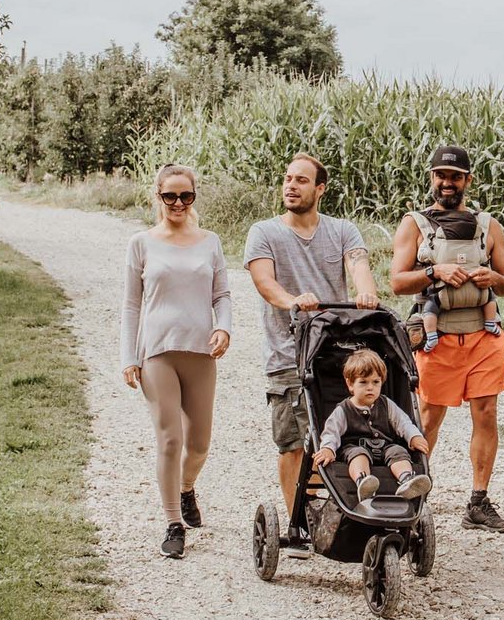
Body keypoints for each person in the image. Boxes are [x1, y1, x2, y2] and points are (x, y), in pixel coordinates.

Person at [245, 152, 379, 554]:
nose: (291, 185)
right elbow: (264, 281)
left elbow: (358, 266)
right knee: (292, 443)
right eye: (287, 178)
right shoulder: (264, 232)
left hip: (336, 351)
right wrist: (292, 300)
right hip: (288, 353)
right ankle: (297, 522)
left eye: (301, 180)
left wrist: (365, 291)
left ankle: (351, 511)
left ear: (320, 189)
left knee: (346, 433)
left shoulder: (342, 231)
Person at [390, 144, 504, 533]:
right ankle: (414, 497)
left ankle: (478, 501)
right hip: (436, 336)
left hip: (482, 334)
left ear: (468, 180)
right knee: (428, 419)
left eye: (456, 176)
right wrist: (435, 273)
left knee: (487, 414)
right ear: (432, 178)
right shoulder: (415, 224)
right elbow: (397, 282)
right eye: (441, 176)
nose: (448, 183)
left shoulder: (487, 226)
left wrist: (492, 279)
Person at [121, 164, 232, 559]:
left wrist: (225, 328)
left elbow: (222, 294)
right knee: (170, 438)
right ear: (158, 197)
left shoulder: (210, 242)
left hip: (201, 351)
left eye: (186, 196)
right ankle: (172, 523)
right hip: (157, 352)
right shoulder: (141, 243)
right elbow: (131, 304)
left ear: (194, 197)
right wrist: (128, 357)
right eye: (170, 196)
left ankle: (187, 487)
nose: (178, 203)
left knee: (199, 442)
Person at [312, 349, 434, 500]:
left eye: (375, 382)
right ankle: (363, 481)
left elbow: (403, 422)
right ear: (350, 384)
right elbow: (331, 432)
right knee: (358, 455)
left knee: (398, 451)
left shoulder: (386, 404)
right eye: (363, 382)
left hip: (384, 447)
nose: (370, 387)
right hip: (354, 448)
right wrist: (328, 449)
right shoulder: (343, 410)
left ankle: (406, 479)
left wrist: (414, 436)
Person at [414, 280, 501, 353]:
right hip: (477, 290)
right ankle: (490, 322)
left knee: (429, 309)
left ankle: (431, 335)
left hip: (443, 294)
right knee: (490, 297)